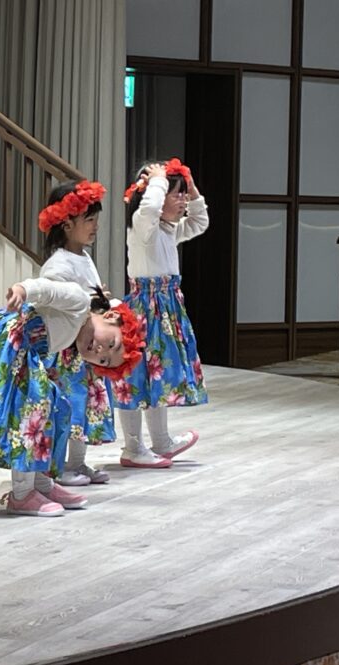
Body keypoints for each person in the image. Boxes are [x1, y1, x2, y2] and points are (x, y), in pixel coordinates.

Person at [0, 276, 143, 517]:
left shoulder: (76, 330)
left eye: (103, 360)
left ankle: (41, 483)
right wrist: (22, 290)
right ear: (109, 317)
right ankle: (22, 494)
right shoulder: (79, 302)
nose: (100, 351)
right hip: (10, 344)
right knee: (31, 415)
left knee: (52, 410)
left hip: (23, 352)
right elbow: (48, 289)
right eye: (111, 343)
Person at [116, 159, 209, 468]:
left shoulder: (168, 230)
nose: (183, 200)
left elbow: (200, 222)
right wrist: (157, 180)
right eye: (176, 193)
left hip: (166, 308)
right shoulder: (143, 228)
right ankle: (133, 447)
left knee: (156, 375)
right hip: (145, 310)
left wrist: (192, 189)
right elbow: (148, 211)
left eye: (184, 194)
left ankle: (161, 441)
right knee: (135, 377)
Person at [37, 180, 115, 486]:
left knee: (83, 406)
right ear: (66, 225)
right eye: (89, 220)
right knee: (68, 406)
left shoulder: (83, 256)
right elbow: (56, 304)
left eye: (96, 219)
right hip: (66, 350)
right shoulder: (57, 265)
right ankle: (58, 467)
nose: (96, 226)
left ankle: (78, 462)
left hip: (85, 347)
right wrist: (91, 302)